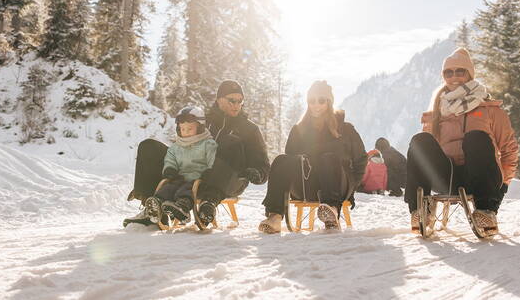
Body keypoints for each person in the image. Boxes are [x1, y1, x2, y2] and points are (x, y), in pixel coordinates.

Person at [124, 80, 270, 228]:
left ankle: (209, 203)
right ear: (219, 100)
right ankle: (152, 210)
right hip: (191, 170)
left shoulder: (250, 129)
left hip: (229, 178)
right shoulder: (201, 120)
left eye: (240, 101)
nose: (237, 105)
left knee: (230, 142)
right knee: (149, 146)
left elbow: (263, 165)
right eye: (232, 100)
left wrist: (257, 172)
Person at [405, 48, 518, 235]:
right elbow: (425, 157)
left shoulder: (489, 109)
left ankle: (485, 211)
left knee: (476, 137)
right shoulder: (437, 111)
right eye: (448, 72)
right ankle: (420, 210)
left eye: (460, 71)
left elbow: (508, 148)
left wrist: (504, 184)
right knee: (420, 141)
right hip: (448, 176)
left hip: (481, 176)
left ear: (469, 74)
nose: (454, 76)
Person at [258, 80, 367, 233]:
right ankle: (275, 216)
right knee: (282, 160)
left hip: (337, 186)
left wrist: (352, 186)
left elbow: (361, 159)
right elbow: (290, 160)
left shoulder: (345, 129)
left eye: (321, 100)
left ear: (329, 102)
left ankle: (331, 211)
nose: (316, 105)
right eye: (311, 101)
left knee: (328, 158)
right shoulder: (299, 130)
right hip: (307, 184)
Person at [143, 106, 217, 224]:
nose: (186, 132)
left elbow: (212, 159)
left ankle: (183, 207)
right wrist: (170, 169)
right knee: (168, 187)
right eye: (183, 129)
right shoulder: (176, 146)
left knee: (186, 189)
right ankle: (157, 203)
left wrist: (209, 171)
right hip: (181, 177)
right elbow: (170, 159)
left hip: (199, 180)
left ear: (200, 128)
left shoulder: (208, 144)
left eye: (190, 129)